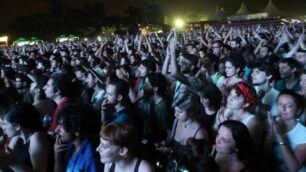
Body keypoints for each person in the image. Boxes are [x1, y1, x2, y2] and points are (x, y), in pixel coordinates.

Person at [0, 103, 51, 172]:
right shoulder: (16, 138)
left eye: (4, 124)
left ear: (17, 126)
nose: (2, 127)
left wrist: (13, 163)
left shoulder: (37, 138)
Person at [265, 89, 306, 172]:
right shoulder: (273, 123)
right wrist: (271, 129)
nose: (283, 108)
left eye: (289, 105)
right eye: (280, 104)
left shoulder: (303, 133)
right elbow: (265, 153)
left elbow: (293, 167)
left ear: (298, 111)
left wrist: (279, 136)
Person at [214, 82, 263, 150]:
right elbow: (214, 131)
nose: (230, 99)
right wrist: (217, 124)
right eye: (230, 94)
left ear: (246, 104)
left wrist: (226, 127)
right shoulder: (225, 110)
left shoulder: (252, 123)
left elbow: (248, 151)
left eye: (236, 98)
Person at [54, 104, 103, 172]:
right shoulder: (70, 146)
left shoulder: (91, 157)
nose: (56, 130)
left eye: (61, 125)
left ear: (77, 129)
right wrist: (57, 156)